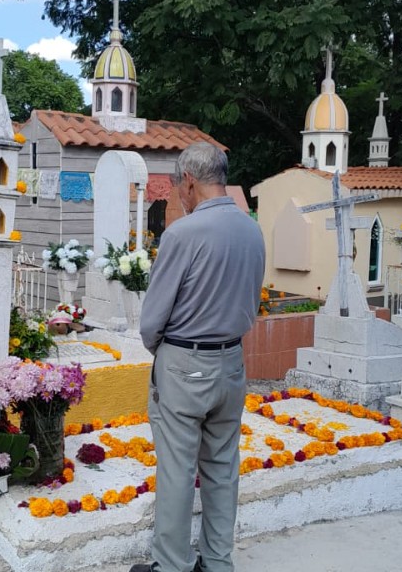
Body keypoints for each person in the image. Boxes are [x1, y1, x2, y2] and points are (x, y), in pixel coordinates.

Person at [132, 142, 265, 572]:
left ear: (189, 181)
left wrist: (164, 352)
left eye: (178, 190)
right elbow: (251, 302)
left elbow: (152, 319)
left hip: (185, 362)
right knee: (223, 468)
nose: (179, 198)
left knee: (176, 470)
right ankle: (217, 562)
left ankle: (171, 565)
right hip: (231, 363)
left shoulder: (183, 234)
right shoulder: (251, 229)